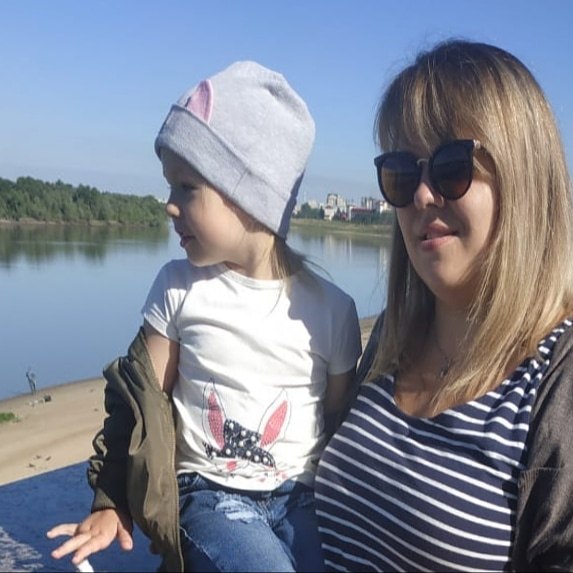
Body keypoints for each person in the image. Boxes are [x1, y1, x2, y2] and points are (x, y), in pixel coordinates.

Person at [47, 61, 362, 572]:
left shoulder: (332, 311)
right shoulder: (179, 288)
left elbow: (338, 425)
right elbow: (137, 403)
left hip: (301, 501)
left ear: (251, 197)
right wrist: (111, 501)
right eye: (170, 186)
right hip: (210, 496)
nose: (169, 206)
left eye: (186, 187)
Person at [315, 39, 573, 572]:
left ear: (524, 178)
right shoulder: (393, 337)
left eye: (452, 167)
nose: (422, 195)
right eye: (402, 173)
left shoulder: (556, 385)